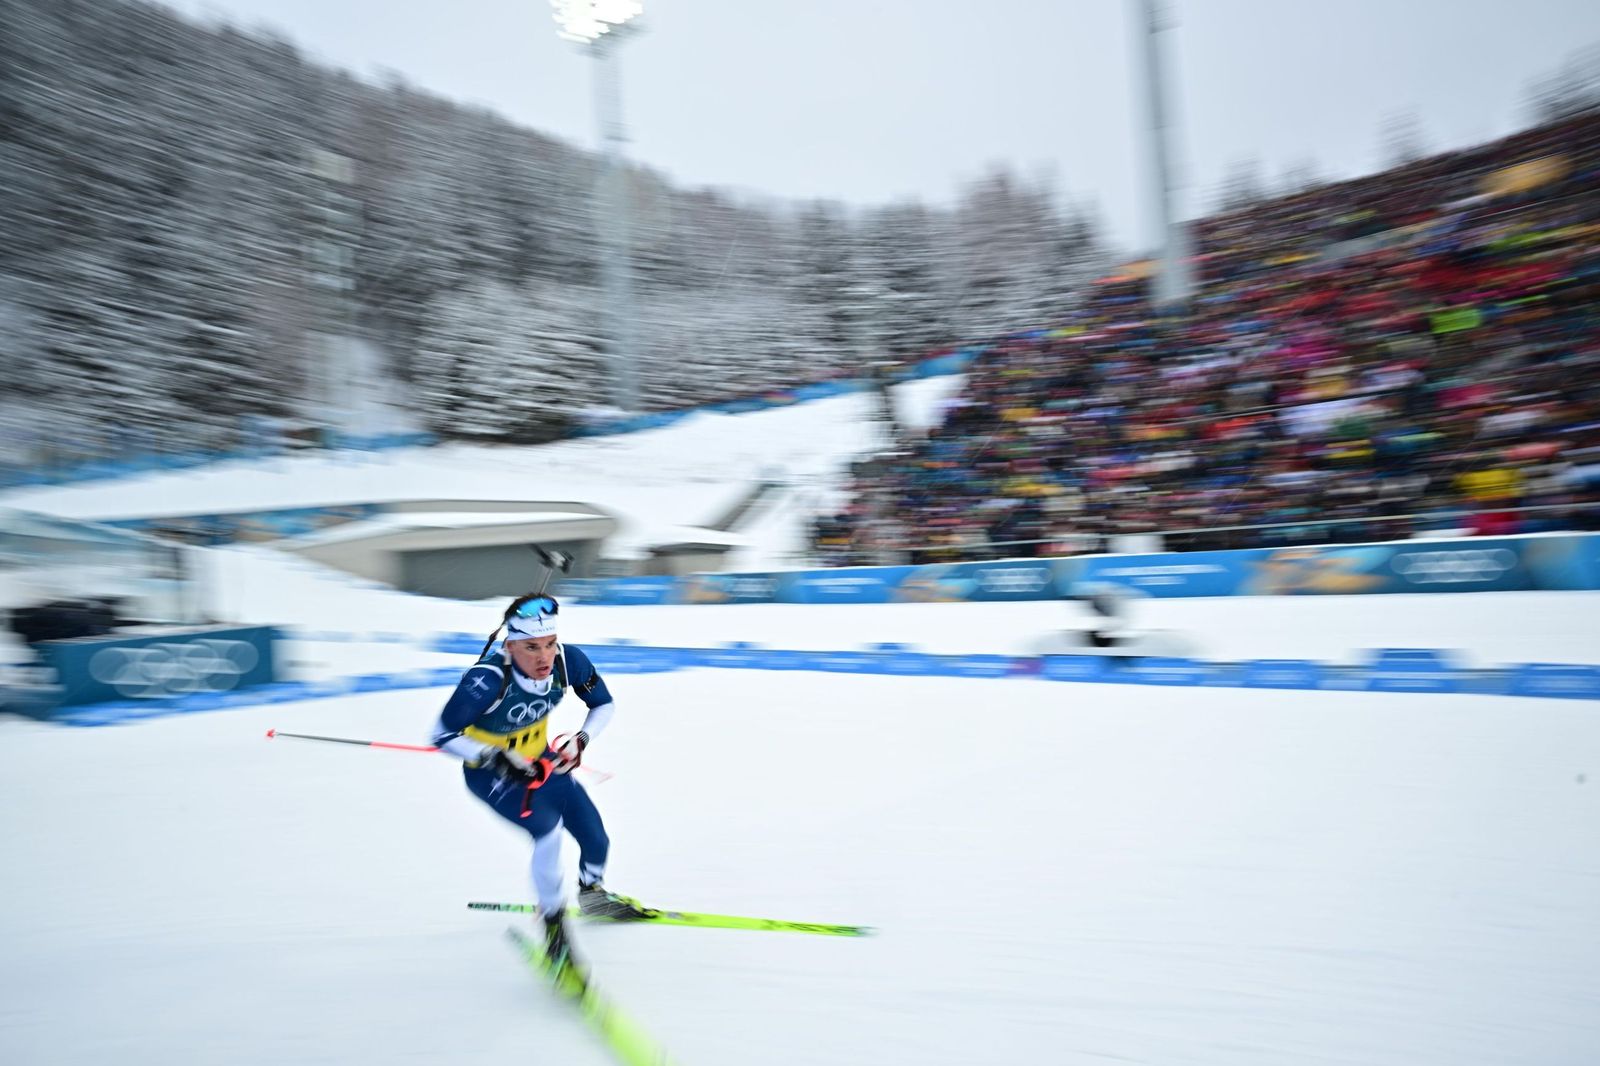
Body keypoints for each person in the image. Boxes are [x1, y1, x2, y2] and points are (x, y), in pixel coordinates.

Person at [430, 592, 646, 966]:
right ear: (510, 646)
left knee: (595, 836)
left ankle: (592, 895)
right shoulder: (485, 680)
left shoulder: (567, 662)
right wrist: (495, 756)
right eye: (531, 647)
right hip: (492, 775)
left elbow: (603, 704)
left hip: (542, 762)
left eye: (549, 644)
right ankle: (554, 933)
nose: (544, 656)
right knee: (547, 832)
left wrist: (581, 740)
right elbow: (441, 735)